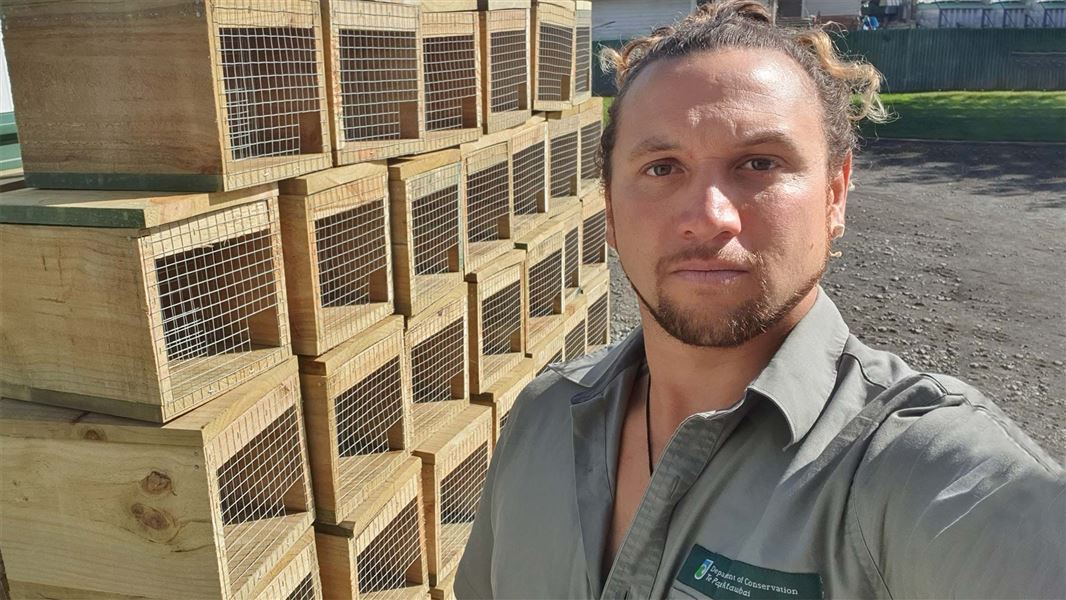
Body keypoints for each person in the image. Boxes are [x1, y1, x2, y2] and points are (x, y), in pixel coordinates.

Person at [455, 1, 1066, 598]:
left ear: (835, 196)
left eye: (759, 163)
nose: (708, 217)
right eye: (663, 168)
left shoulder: (926, 472)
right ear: (610, 211)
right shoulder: (541, 417)